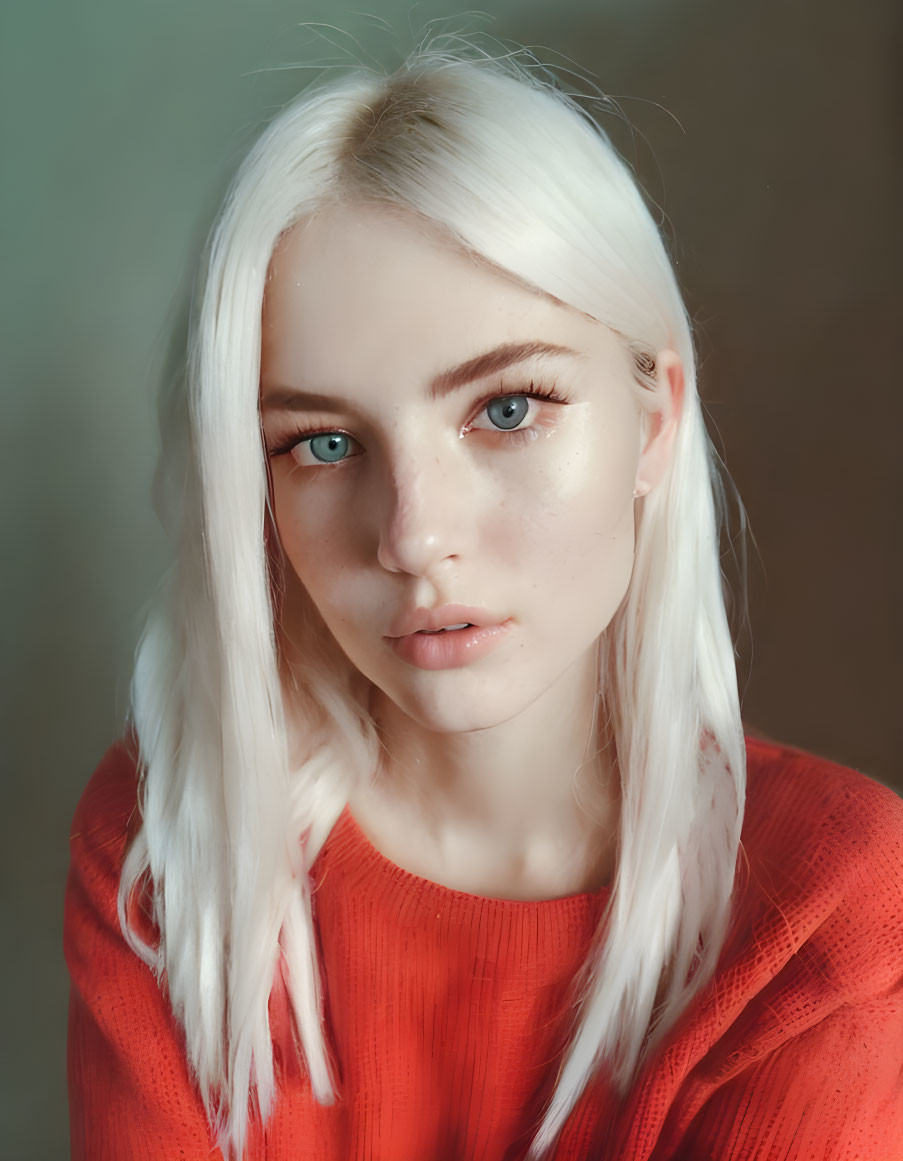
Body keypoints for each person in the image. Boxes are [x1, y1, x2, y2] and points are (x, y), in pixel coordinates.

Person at [64, 42, 903, 1161]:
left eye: (508, 409)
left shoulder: (828, 913)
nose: (414, 537)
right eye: (322, 443)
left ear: (654, 423)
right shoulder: (172, 846)